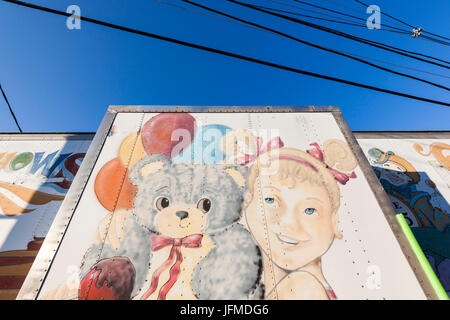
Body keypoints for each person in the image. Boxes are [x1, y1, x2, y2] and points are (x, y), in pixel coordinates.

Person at [243, 141, 357, 299]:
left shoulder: (303, 288)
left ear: (334, 222)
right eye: (270, 200)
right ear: (247, 202)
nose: (289, 223)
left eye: (309, 210)